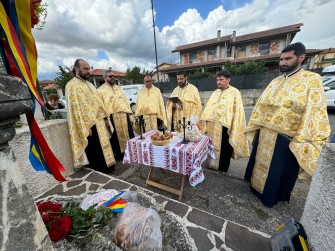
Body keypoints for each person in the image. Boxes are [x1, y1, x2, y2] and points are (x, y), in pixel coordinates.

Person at [244, 42, 331, 207]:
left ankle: (270, 198)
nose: (282, 63)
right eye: (281, 59)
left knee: (277, 172)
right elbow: (261, 104)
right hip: (265, 132)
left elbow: (315, 109)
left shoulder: (312, 79)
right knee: (260, 166)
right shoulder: (276, 81)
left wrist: (303, 136)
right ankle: (255, 190)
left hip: (286, 137)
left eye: (287, 59)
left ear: (301, 58)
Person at [66, 59, 116, 173]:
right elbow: (75, 110)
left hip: (100, 121)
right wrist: (84, 127)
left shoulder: (90, 85)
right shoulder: (71, 86)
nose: (88, 71)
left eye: (89, 68)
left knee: (104, 146)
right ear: (77, 69)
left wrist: (105, 118)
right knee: (95, 149)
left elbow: (99, 103)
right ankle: (100, 170)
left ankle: (109, 166)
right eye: (85, 68)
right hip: (88, 125)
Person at [201, 70, 249, 172]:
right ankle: (211, 165)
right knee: (211, 146)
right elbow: (208, 108)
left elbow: (238, 112)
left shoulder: (235, 92)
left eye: (221, 79)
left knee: (225, 148)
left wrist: (234, 126)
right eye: (217, 80)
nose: (218, 82)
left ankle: (223, 169)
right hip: (212, 126)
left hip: (225, 127)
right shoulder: (215, 92)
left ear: (228, 80)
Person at [98, 71, 134, 160]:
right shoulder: (100, 91)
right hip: (112, 116)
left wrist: (129, 114)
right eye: (110, 76)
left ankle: (130, 152)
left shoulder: (119, 88)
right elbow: (100, 106)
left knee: (128, 134)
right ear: (105, 78)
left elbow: (125, 101)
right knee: (115, 137)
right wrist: (105, 118)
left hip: (124, 115)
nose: (113, 77)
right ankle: (119, 155)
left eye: (113, 76)